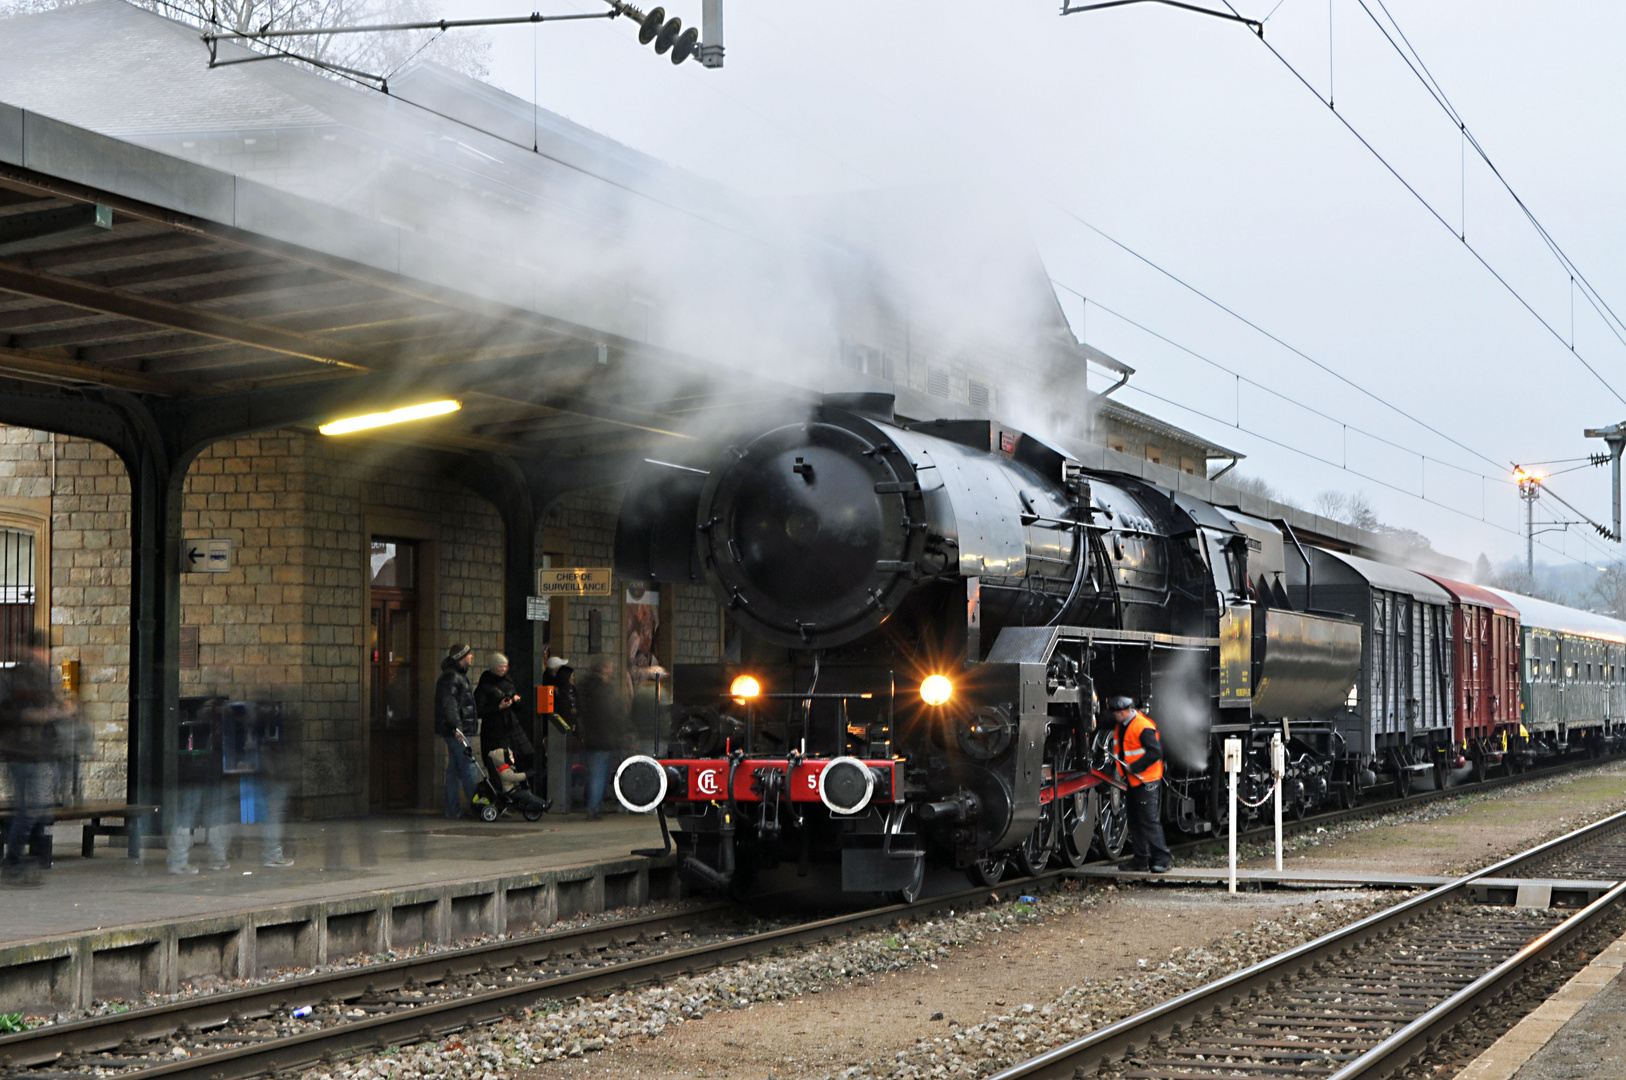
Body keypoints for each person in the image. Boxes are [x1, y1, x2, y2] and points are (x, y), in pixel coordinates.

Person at [0, 632, 62, 888]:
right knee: (29, 808)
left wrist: (59, 713)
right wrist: (33, 716)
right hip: (18, 752)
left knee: (33, 808)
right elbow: (6, 714)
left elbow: (48, 710)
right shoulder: (11, 678)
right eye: (40, 650)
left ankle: (17, 859)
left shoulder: (42, 678)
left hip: (36, 752)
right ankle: (13, 860)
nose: (44, 655)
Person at [1109, 695, 1172, 873]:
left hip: (1146, 780)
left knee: (1149, 821)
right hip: (1134, 781)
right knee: (1135, 821)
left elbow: (1155, 752)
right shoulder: (1124, 725)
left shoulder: (1142, 726)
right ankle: (1140, 860)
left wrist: (1134, 767)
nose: (1113, 717)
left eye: (1115, 714)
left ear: (1122, 712)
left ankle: (1162, 859)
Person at [577, 657, 632, 821]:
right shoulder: (603, 689)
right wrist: (624, 729)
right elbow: (612, 713)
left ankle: (593, 804)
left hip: (590, 737)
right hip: (604, 738)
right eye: (608, 668)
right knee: (599, 774)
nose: (611, 670)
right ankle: (593, 808)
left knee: (594, 772)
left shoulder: (584, 686)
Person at [434, 643, 480, 819]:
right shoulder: (452, 677)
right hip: (458, 730)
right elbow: (450, 704)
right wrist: (456, 728)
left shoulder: (455, 676)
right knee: (468, 767)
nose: (471, 657)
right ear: (461, 657)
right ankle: (477, 806)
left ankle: (453, 810)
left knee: (454, 771)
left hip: (456, 729)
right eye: (469, 654)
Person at [476, 652, 535, 775]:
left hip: (511, 727)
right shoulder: (485, 684)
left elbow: (517, 707)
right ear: (493, 667)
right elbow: (479, 710)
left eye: (505, 666)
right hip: (494, 730)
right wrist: (498, 707)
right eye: (500, 666)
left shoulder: (508, 681)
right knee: (501, 764)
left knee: (522, 757)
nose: (503, 669)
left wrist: (515, 701)